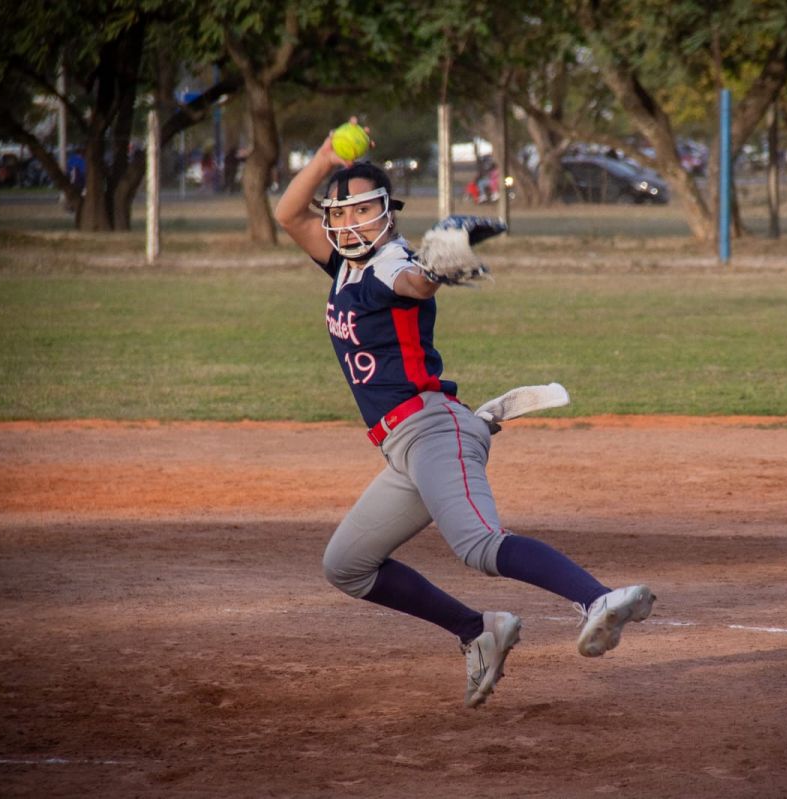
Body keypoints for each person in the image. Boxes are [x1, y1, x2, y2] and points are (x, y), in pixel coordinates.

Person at [273, 121, 655, 708]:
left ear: (388, 214)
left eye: (364, 210)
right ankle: (479, 632)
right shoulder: (343, 265)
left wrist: (435, 269)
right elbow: (288, 214)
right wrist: (326, 154)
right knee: (347, 565)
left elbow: (412, 283)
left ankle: (597, 598)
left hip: (431, 429)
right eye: (342, 213)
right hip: (403, 448)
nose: (351, 222)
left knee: (477, 545)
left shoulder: (386, 263)